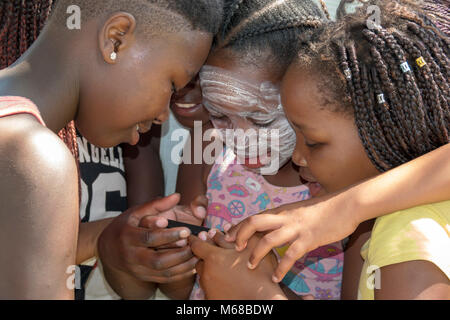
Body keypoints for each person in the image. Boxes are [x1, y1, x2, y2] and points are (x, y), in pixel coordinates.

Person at [204, 0, 449, 299]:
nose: (297, 156)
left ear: (390, 129)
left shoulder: (406, 238)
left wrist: (260, 297)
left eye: (313, 141)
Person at [0, 0, 222, 299]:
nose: (162, 115)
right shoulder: (35, 155)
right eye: (171, 85)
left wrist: (110, 232)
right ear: (115, 38)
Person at [170, 0, 349, 300]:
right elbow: (183, 290)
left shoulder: (344, 185)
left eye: (261, 119)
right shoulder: (206, 147)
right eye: (221, 116)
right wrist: (175, 254)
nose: (241, 140)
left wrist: (260, 292)